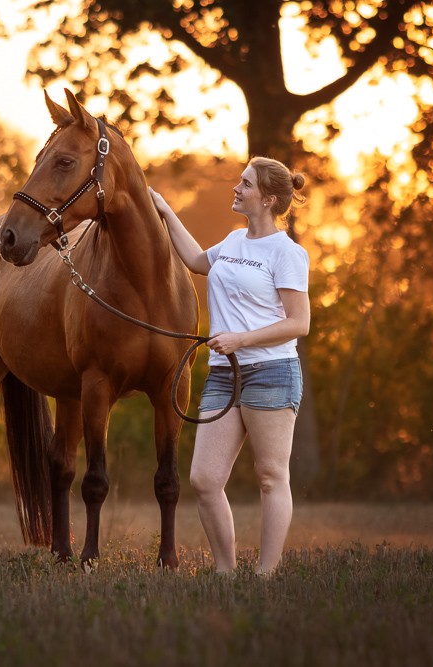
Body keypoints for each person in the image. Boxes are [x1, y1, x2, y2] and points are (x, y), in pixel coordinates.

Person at [148, 157, 310, 575]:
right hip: (224, 375)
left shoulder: (288, 253)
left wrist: (240, 339)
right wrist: (166, 211)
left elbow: (299, 323)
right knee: (203, 479)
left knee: (271, 477)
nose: (236, 189)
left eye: (246, 184)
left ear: (269, 199)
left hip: (271, 372)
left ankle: (264, 575)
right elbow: (198, 261)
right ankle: (226, 572)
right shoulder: (234, 241)